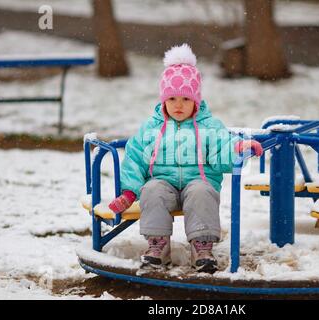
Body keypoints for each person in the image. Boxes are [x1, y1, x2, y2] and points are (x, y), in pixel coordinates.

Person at [108, 43, 263, 273]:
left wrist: (239, 147)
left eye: (185, 99)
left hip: (197, 183)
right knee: (152, 189)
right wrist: (130, 192)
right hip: (164, 186)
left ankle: (202, 247)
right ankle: (157, 245)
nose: (178, 105)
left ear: (196, 101)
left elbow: (223, 146)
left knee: (202, 191)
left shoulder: (209, 127)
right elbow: (134, 159)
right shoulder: (152, 128)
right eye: (172, 99)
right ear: (163, 101)